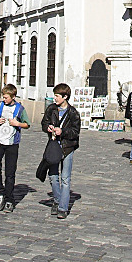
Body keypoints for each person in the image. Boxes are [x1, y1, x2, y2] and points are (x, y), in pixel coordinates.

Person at [41, 83, 81, 219]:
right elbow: (44, 122)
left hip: (67, 147)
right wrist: (48, 127)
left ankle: (62, 208)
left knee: (65, 178)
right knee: (52, 176)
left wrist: (62, 131)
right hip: (53, 146)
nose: (55, 98)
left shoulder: (73, 113)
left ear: (65, 97)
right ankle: (57, 200)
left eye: (57, 96)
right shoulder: (51, 109)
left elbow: (75, 132)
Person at [0, 84, 30, 212]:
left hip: (12, 143)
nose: (4, 99)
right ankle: (0, 192)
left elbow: (27, 124)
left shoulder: (19, 109)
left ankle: (9, 199)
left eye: (6, 97)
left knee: (10, 172)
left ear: (13, 97)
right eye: (3, 97)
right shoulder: (0, 105)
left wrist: (17, 124)